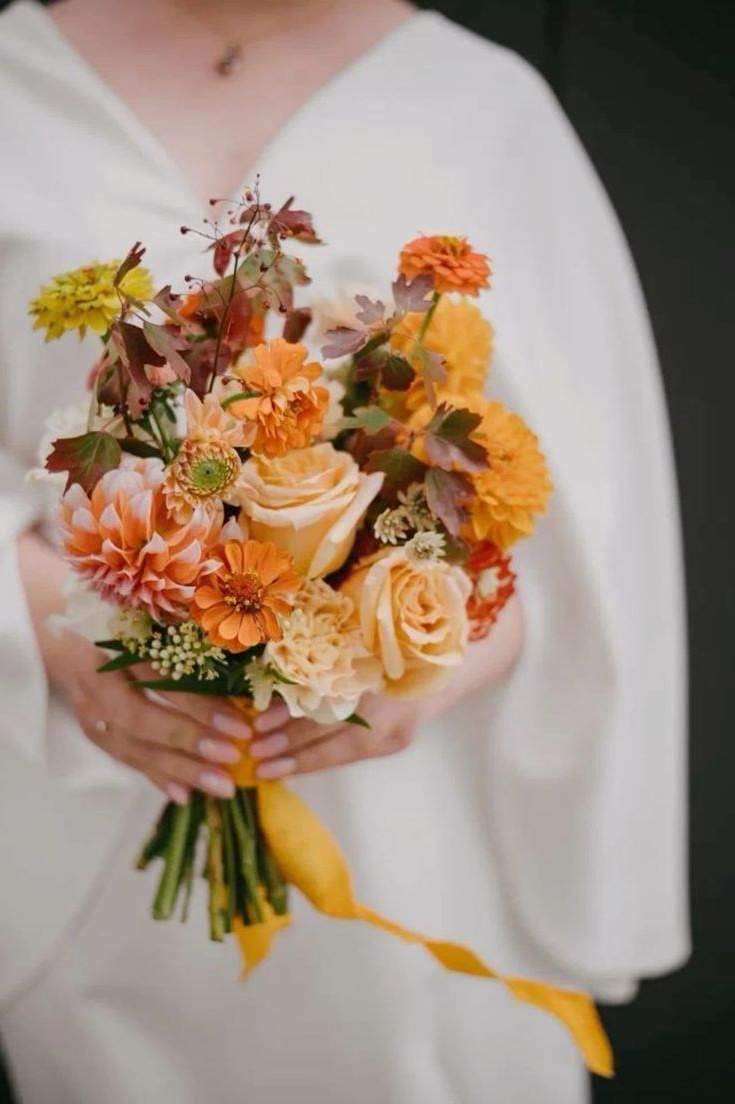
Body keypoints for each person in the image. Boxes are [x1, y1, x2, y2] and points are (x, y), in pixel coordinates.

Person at [0, 1, 689, 1101]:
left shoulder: (484, 107)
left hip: (418, 838)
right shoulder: (13, 86)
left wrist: (433, 653)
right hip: (85, 817)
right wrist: (50, 615)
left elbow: (598, 507)